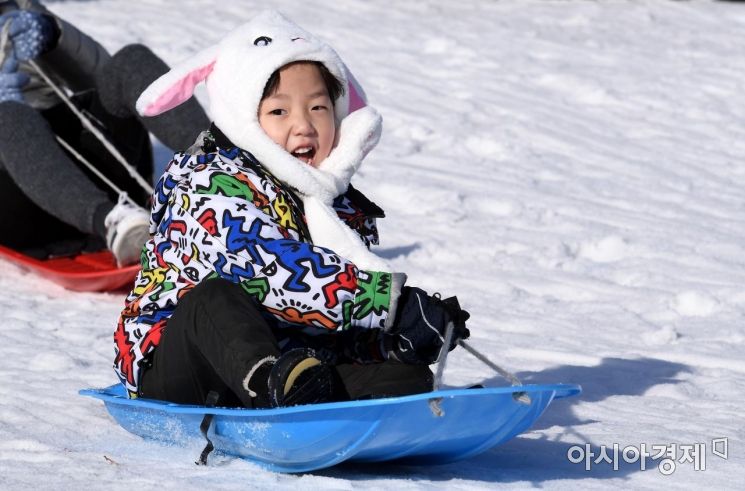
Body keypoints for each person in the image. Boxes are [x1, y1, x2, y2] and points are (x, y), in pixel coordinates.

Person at [114, 10, 470, 409]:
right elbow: (270, 269)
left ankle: (313, 398)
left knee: (405, 377)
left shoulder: (335, 203)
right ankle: (274, 387)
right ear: (243, 118)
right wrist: (387, 304)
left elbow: (332, 317)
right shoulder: (206, 181)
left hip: (297, 363)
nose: (303, 125)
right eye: (279, 112)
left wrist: (400, 335)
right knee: (213, 299)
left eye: (318, 108)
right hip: (179, 365)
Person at [0, 0, 208, 264]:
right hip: (25, 204)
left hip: (96, 169)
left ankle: (227, 173)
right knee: (9, 115)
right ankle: (115, 224)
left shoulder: (17, 8)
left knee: (131, 62)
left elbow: (102, 80)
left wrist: (55, 36)